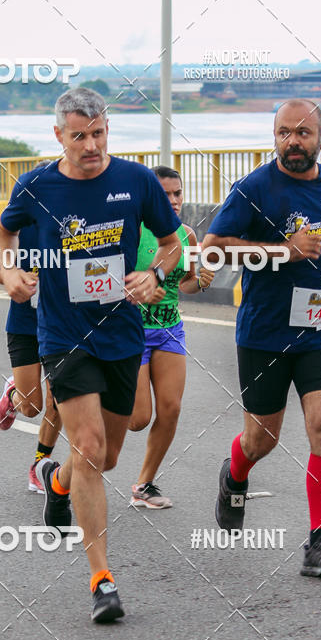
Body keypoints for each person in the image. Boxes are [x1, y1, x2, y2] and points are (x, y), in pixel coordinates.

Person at [0, 87, 182, 622]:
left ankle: (57, 480)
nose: (91, 145)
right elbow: (1, 235)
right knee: (92, 446)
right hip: (63, 334)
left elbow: (171, 245)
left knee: (108, 457)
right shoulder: (36, 187)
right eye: (80, 136)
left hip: (121, 334)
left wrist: (156, 275)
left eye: (99, 134)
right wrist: (8, 272)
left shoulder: (136, 181)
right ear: (59, 136)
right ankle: (102, 579)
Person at [203, 98, 321, 578]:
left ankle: (319, 540)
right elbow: (212, 251)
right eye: (283, 133)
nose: (292, 142)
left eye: (302, 133)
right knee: (262, 439)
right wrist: (283, 250)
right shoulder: (254, 188)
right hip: (266, 332)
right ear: (273, 137)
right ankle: (234, 475)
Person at [128, 165, 214, 508]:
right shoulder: (132, 231)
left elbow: (185, 284)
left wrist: (201, 282)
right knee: (137, 419)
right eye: (165, 194)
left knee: (171, 408)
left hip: (169, 331)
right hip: (131, 332)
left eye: (178, 193)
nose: (174, 201)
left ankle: (144, 485)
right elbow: (109, 282)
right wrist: (136, 291)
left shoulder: (187, 236)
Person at [0, 224, 62, 492]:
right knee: (31, 407)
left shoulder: (73, 218)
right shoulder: (20, 221)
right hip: (24, 324)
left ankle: (40, 465)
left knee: (57, 399)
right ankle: (14, 394)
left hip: (63, 326)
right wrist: (15, 276)